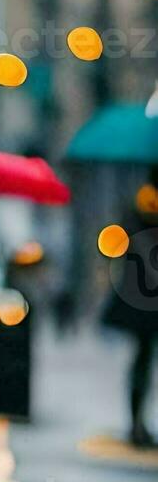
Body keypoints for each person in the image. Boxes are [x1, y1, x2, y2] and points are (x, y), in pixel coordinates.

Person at [103, 172, 158, 447]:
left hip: (141, 294)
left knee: (143, 358)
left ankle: (138, 422)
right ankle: (137, 423)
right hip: (144, 295)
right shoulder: (143, 202)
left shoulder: (138, 202)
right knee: (143, 357)